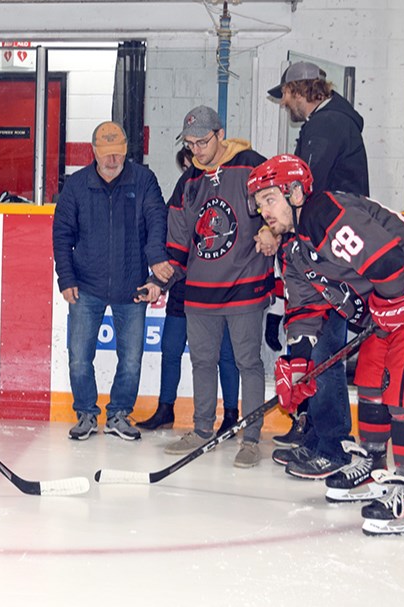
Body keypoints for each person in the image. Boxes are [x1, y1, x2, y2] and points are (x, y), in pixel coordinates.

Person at [248, 154, 404, 535]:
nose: (264, 211)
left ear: (295, 192)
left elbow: (385, 260)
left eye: (269, 199)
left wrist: (390, 302)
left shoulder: (324, 213)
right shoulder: (295, 249)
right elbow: (305, 310)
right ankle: (373, 464)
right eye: (259, 204)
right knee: (371, 378)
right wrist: (299, 365)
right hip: (391, 299)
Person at [138, 106, 271, 468]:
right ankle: (201, 430)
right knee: (202, 361)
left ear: (220, 134)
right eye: (191, 144)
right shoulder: (190, 183)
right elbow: (178, 244)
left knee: (247, 361)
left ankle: (252, 437)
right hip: (200, 292)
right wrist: (158, 280)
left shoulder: (251, 165)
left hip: (245, 287)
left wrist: (271, 230)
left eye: (202, 142)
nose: (196, 150)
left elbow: (280, 206)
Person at [260, 60, 371, 479]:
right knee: (319, 344)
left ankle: (332, 444)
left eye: (285, 93)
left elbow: (304, 188)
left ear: (298, 89)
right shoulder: (327, 123)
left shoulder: (327, 126)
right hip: (323, 244)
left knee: (325, 348)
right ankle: (317, 434)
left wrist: (280, 230)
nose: (284, 102)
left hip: (333, 249)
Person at [52, 121, 170, 442]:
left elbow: (156, 222)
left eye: (118, 153)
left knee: (131, 359)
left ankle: (119, 413)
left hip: (131, 286)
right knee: (79, 356)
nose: (112, 160)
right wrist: (67, 277)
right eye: (106, 154)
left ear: (126, 151)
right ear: (94, 152)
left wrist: (156, 263)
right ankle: (86, 413)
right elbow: (62, 235)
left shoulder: (144, 180)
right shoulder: (76, 185)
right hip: (85, 286)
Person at [137, 146, 240, 434]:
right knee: (170, 347)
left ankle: (231, 414)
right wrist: (158, 278)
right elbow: (169, 239)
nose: (191, 170)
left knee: (225, 354)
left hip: (216, 290)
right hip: (183, 287)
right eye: (186, 166)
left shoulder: (222, 193)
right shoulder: (183, 193)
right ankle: (165, 408)